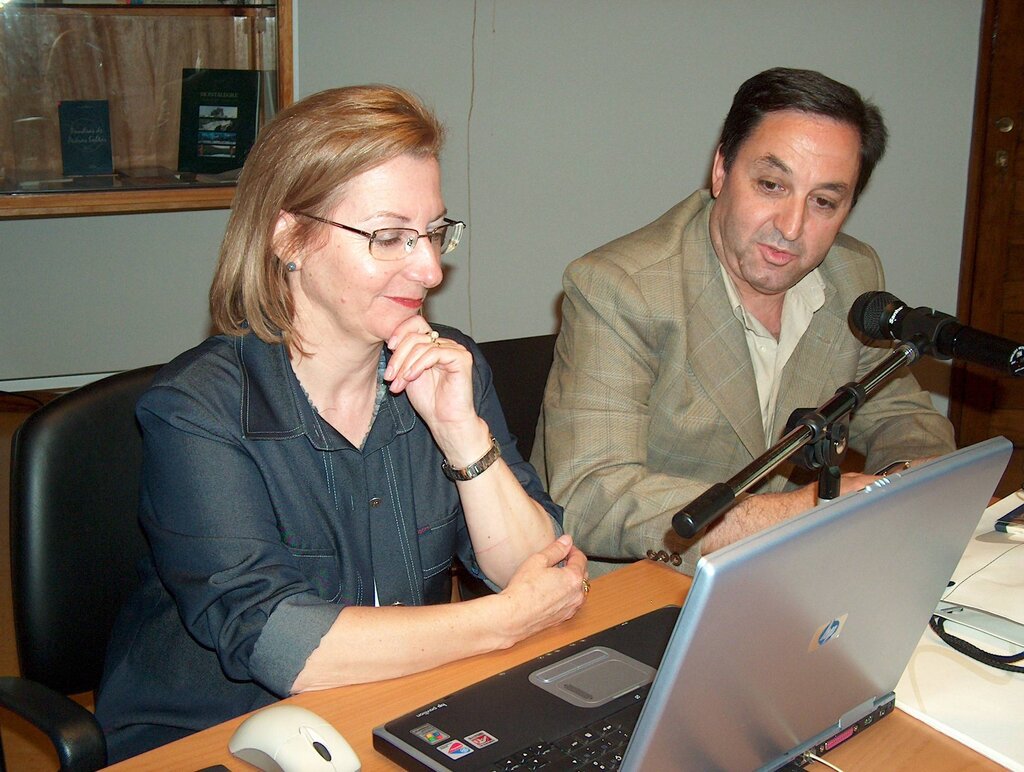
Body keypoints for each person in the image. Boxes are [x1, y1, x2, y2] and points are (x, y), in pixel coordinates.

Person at [95, 85, 588, 761]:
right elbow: (277, 640)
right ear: (288, 234)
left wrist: (462, 436)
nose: (429, 267)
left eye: (434, 232)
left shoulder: (448, 366)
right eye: (390, 237)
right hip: (215, 741)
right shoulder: (197, 410)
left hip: (390, 709)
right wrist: (501, 623)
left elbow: (541, 569)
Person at [532, 67, 956, 578]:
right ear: (720, 171)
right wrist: (805, 512)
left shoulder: (852, 275)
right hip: (632, 586)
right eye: (772, 185)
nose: (791, 227)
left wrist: (899, 489)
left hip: (780, 575)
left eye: (823, 201)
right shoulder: (621, 287)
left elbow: (899, 413)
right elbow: (591, 496)